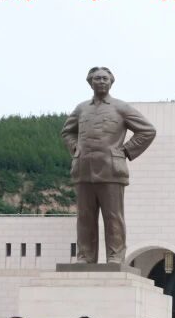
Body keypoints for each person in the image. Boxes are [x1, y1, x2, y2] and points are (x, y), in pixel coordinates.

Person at [62, 65, 156, 264]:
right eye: (97, 78)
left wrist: (125, 151)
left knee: (113, 217)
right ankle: (85, 256)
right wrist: (76, 149)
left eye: (105, 78)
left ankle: (115, 256)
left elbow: (147, 130)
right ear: (90, 82)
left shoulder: (121, 108)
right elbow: (67, 132)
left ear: (111, 82)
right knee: (85, 217)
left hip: (111, 170)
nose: (101, 81)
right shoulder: (81, 109)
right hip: (83, 170)